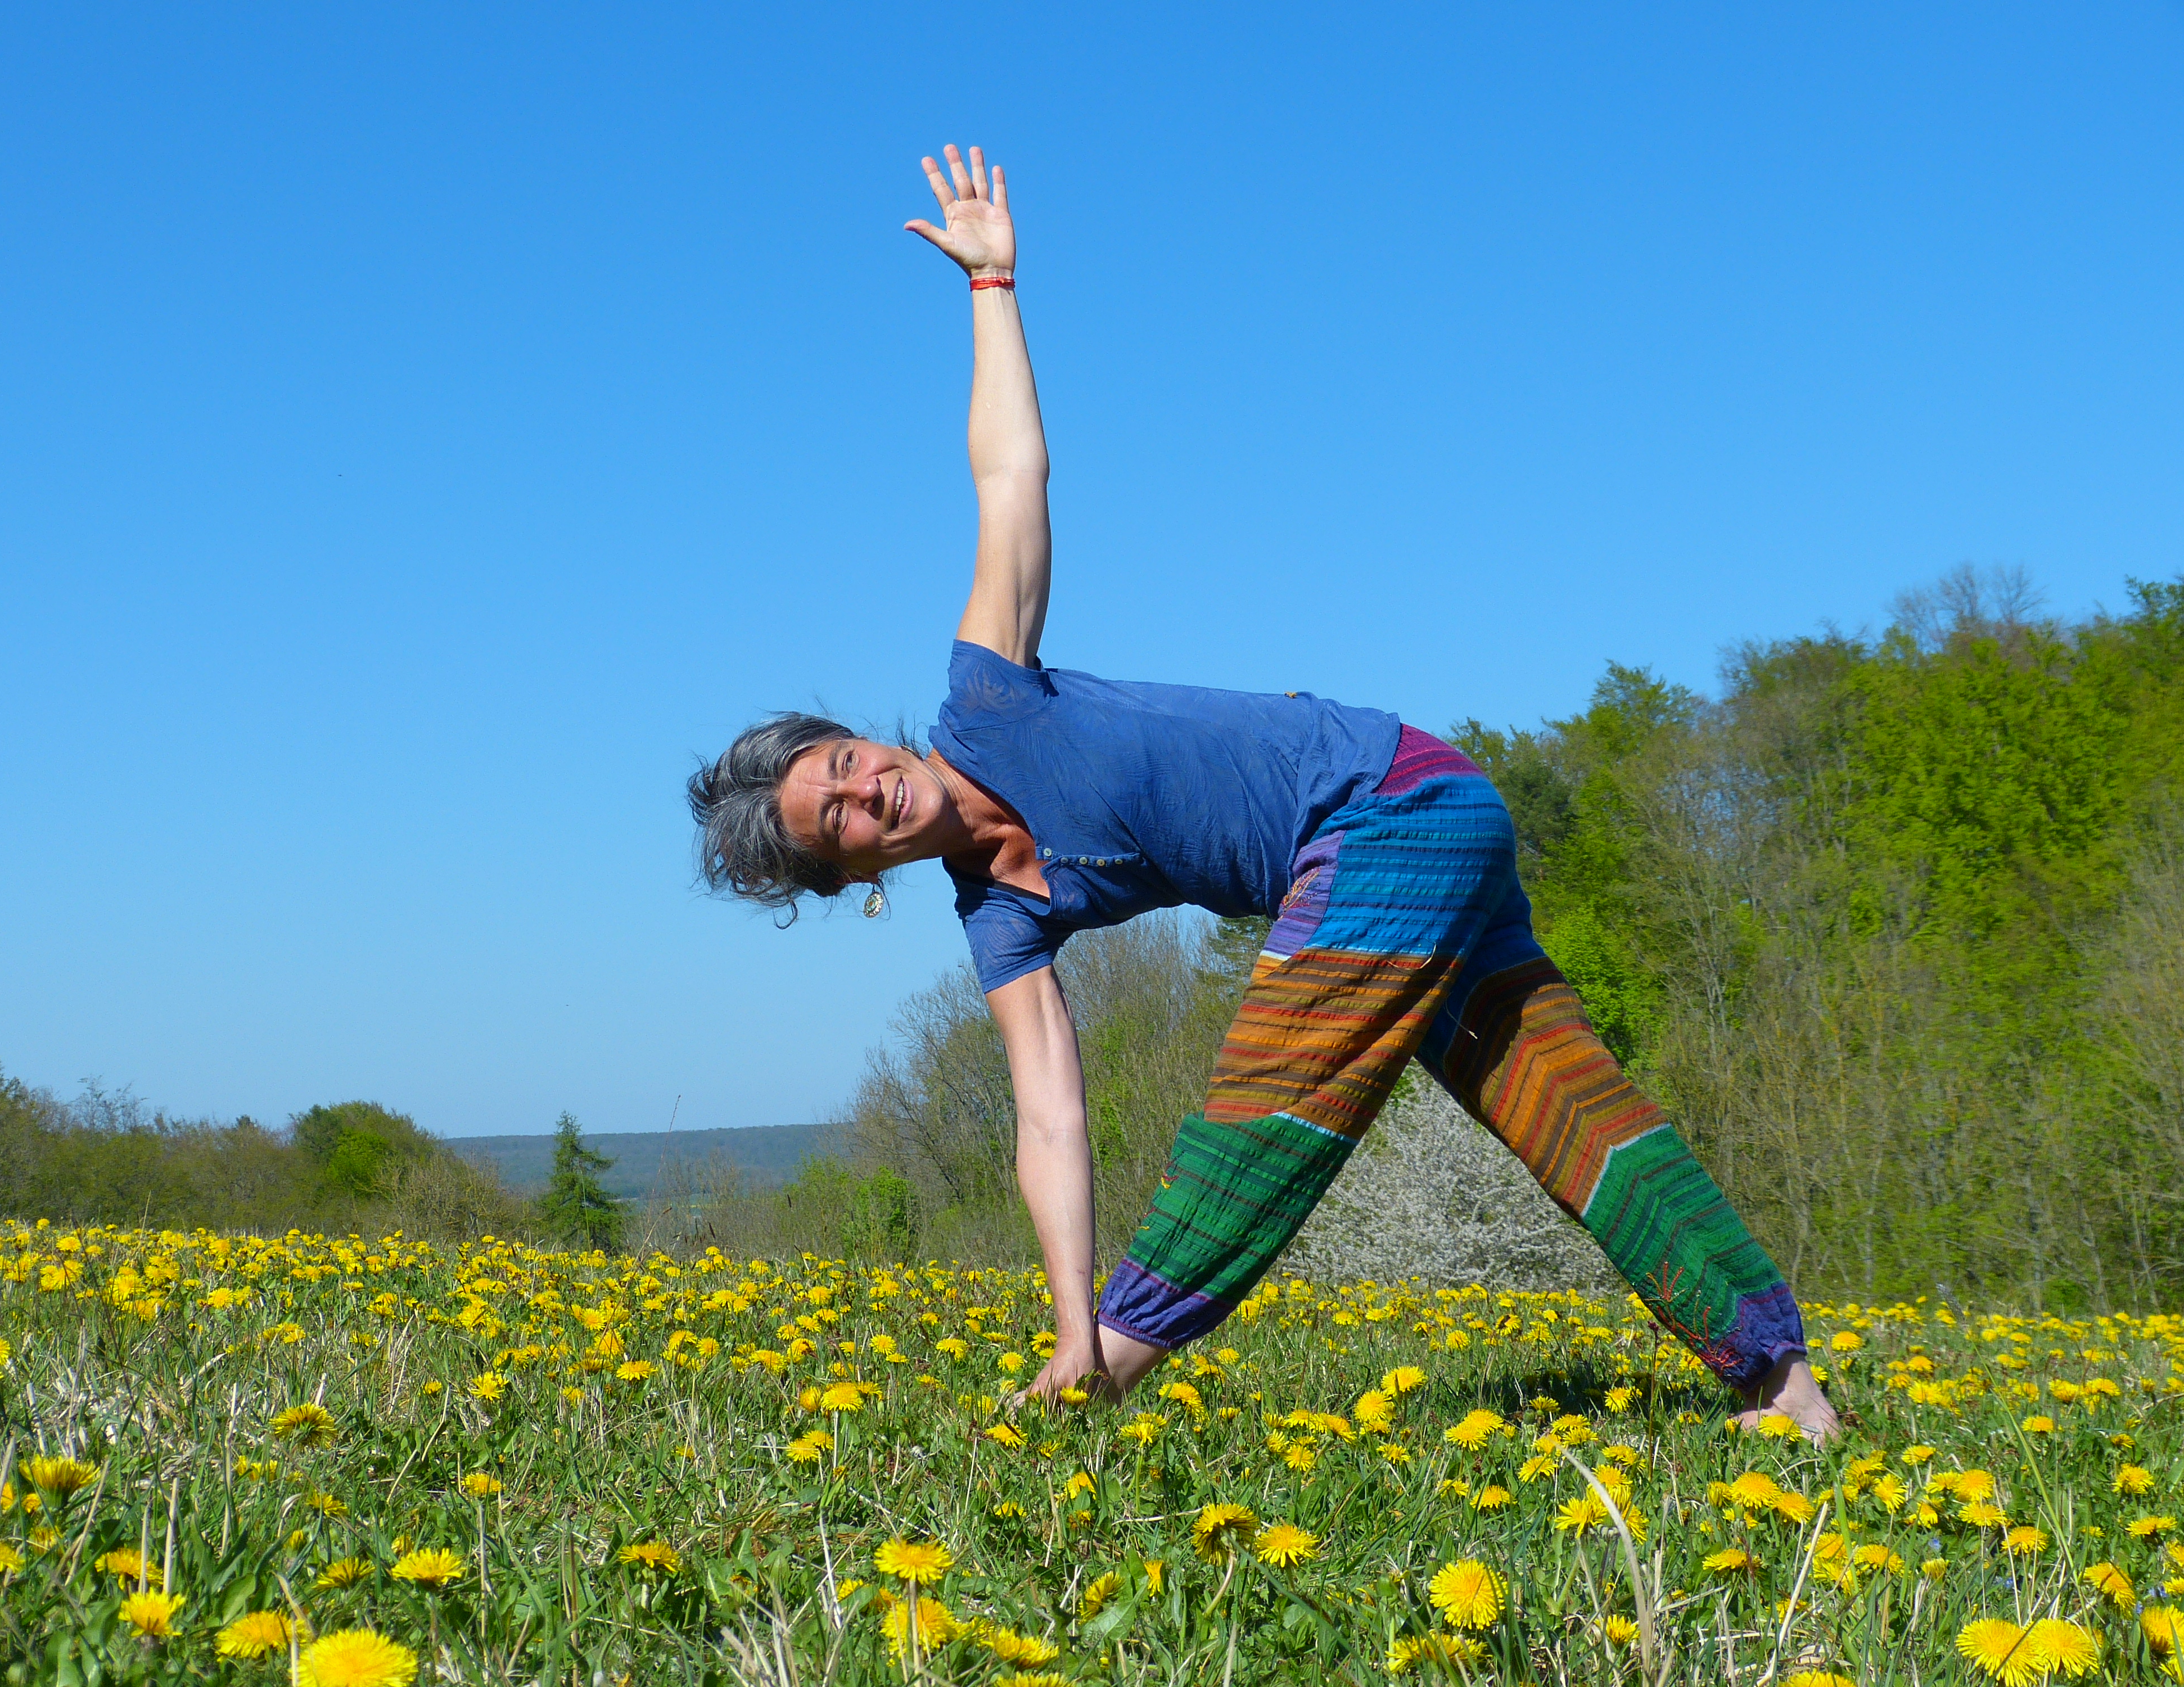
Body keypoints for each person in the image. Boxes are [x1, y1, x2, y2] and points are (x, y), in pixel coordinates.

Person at [690, 145, 1838, 1441]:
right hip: (1403, 840)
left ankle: (1106, 1386)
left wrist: (991, 287)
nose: (864, 796)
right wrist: (1063, 1308)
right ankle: (1781, 1388)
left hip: (1384, 801)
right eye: (833, 824)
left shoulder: (988, 695)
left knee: (1270, 1094)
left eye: (845, 765)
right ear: (849, 880)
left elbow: (1009, 481)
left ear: (866, 740)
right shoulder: (997, 923)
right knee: (1563, 1106)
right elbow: (1047, 1115)